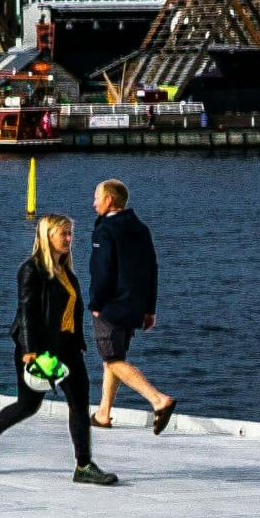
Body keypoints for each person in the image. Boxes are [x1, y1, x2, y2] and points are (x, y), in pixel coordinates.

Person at [0, 212, 118, 488]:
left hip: (68, 348)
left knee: (79, 402)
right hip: (39, 349)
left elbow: (69, 314)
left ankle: (83, 465)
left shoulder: (67, 272)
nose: (68, 238)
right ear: (47, 235)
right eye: (63, 233)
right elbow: (26, 312)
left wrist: (78, 344)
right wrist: (29, 351)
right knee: (28, 405)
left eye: (70, 233)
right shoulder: (31, 270)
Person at [87, 180, 175, 434]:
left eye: (97, 197)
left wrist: (96, 303)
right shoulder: (141, 228)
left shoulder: (105, 230)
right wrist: (150, 309)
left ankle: (159, 400)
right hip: (135, 305)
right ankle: (103, 413)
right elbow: (152, 269)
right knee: (114, 358)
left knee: (112, 360)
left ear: (110, 200)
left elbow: (103, 271)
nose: (94, 203)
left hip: (111, 306)